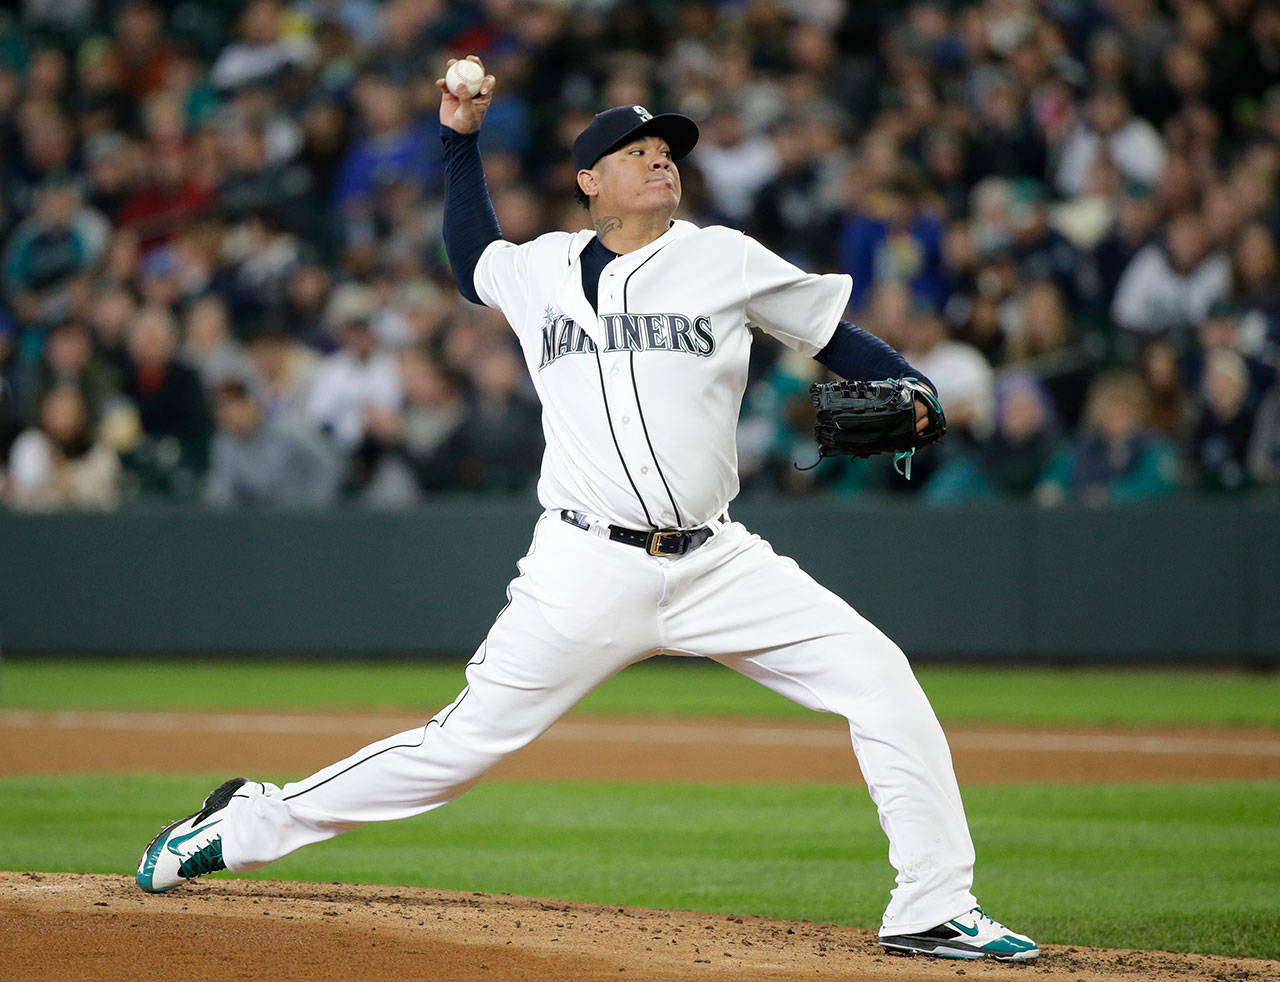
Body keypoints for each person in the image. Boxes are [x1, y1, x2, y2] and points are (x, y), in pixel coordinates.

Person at [135, 58, 1039, 965]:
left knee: (879, 678)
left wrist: (911, 384)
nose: (659, 163)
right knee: (460, 748)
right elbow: (470, 259)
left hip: (718, 561)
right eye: (635, 151)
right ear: (588, 181)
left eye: (666, 151)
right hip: (584, 565)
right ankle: (251, 821)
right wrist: (458, 140)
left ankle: (931, 903)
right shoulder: (543, 270)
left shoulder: (723, 257)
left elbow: (834, 333)